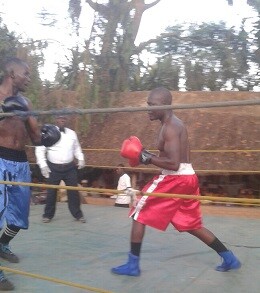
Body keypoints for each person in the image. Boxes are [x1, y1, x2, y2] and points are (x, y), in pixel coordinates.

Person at [111, 87, 241, 277]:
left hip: (175, 178)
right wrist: (147, 156)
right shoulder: (172, 124)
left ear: (164, 104)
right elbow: (170, 159)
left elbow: (173, 164)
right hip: (187, 177)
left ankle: (133, 265)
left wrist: (146, 157)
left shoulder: (171, 127)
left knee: (138, 211)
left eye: (152, 105)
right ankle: (229, 258)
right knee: (191, 224)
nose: (148, 109)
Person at [0, 57, 61, 290]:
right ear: (12, 74)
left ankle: (3, 243)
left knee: (19, 217)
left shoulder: (26, 102)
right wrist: (3, 112)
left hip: (20, 163)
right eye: (26, 73)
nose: (29, 78)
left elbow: (36, 137)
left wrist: (49, 136)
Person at [35, 115, 86, 223]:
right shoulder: (48, 132)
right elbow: (40, 149)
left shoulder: (72, 133)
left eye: (64, 118)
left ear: (67, 120)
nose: (62, 119)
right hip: (53, 168)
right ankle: (48, 215)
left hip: (69, 168)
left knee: (73, 192)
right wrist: (43, 165)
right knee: (51, 193)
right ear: (55, 119)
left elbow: (77, 148)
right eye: (59, 117)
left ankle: (78, 215)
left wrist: (81, 158)